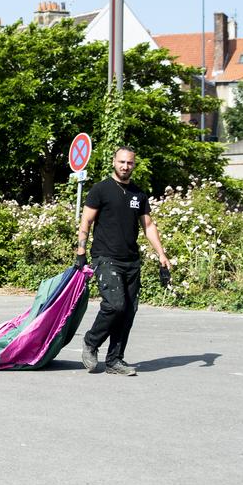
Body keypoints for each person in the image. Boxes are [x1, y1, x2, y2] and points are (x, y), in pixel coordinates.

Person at [74, 146, 170, 376]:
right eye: (122, 162)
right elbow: (86, 221)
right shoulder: (100, 189)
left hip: (131, 260)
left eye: (129, 163)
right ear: (114, 162)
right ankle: (91, 341)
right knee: (115, 305)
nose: (125, 166)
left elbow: (148, 226)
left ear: (133, 165)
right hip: (106, 257)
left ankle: (114, 360)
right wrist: (81, 252)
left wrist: (161, 254)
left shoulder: (138, 194)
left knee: (128, 312)